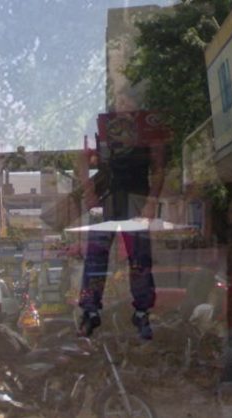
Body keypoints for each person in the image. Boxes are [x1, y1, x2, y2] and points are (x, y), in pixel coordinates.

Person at [78, 112, 166, 340]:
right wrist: (89, 193)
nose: (124, 104)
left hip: (135, 200)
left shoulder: (146, 125)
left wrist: (151, 202)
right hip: (106, 199)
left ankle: (141, 312)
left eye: (128, 100)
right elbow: (83, 159)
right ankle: (91, 310)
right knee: (96, 256)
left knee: (139, 258)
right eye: (120, 100)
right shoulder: (102, 124)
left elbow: (158, 166)